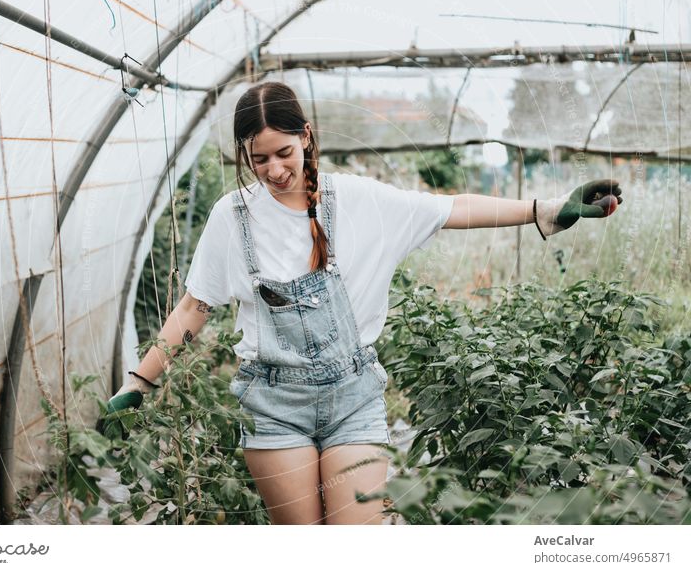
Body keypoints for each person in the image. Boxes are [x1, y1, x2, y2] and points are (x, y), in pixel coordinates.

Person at [98, 82, 622, 525]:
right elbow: (195, 307)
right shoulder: (231, 218)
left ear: (306, 137)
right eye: (259, 159)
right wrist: (138, 384)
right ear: (243, 155)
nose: (275, 170)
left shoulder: (358, 201)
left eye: (284, 153)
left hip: (354, 399)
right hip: (273, 405)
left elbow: (452, 207)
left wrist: (545, 209)